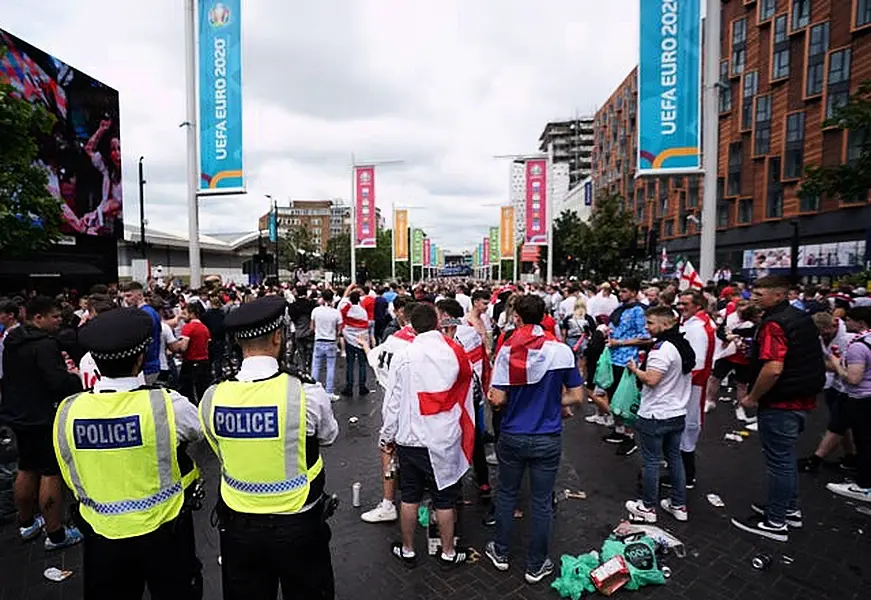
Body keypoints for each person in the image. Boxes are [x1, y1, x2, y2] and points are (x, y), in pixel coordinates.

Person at [54, 308, 204, 599]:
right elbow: (197, 431)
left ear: (94, 362)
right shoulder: (167, 405)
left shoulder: (69, 410)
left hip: (101, 536)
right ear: (139, 358)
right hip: (165, 534)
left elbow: (70, 468)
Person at [199, 295, 339, 599]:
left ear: (238, 342)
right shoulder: (306, 393)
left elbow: (216, 444)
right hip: (299, 522)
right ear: (278, 337)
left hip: (238, 525)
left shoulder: (212, 397)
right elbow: (329, 436)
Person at [484, 295, 584, 584]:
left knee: (506, 494)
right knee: (541, 502)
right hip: (547, 437)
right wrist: (553, 402)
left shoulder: (507, 352)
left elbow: (499, 399)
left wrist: (500, 401)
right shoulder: (562, 351)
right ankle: (536, 565)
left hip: (514, 435)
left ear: (516, 317)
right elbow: (577, 397)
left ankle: (500, 553)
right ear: (544, 316)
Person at [380, 303, 474, 569]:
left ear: (411, 325)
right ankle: (447, 552)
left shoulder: (404, 355)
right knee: (444, 499)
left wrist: (387, 436)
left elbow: (393, 403)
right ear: (436, 323)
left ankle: (408, 549)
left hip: (411, 439)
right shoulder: (455, 353)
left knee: (409, 496)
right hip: (444, 437)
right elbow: (467, 389)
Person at [731, 276, 825, 542]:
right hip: (799, 399)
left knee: (779, 463)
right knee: (785, 459)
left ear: (779, 295)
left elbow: (773, 368)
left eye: (761, 293)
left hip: (781, 402)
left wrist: (752, 397)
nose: (755, 297)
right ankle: (787, 509)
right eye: (754, 293)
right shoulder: (799, 317)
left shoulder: (775, 323)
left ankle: (775, 522)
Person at [0, 296, 83, 549]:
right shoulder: (45, 345)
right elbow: (56, 382)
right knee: (50, 472)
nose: (59, 321)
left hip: (18, 415)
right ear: (39, 318)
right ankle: (55, 532)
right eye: (54, 316)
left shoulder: (11, 340)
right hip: (42, 416)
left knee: (26, 467)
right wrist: (74, 378)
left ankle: (26, 524)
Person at [624, 306, 695, 523]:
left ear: (665, 324)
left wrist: (635, 369)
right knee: (674, 458)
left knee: (652, 461)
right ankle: (678, 504)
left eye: (650, 323)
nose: (646, 327)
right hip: (676, 412)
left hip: (656, 413)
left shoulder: (662, 349)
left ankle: (647, 507)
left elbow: (652, 379)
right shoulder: (683, 345)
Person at [359, 300, 418, 523]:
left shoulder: (395, 342)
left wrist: (365, 345)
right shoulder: (434, 345)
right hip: (427, 412)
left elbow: (374, 359)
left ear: (404, 317)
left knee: (388, 450)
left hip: (396, 409)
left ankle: (388, 503)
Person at [825, 306, 871, 502]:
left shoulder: (859, 346)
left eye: (850, 320)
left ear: (861, 323)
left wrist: (836, 364)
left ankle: (864, 485)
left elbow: (853, 379)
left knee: (864, 442)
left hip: (861, 399)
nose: (846, 324)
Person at [798, 312, 855, 472]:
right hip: (834, 385)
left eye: (825, 331)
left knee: (837, 423)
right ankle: (851, 456)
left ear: (833, 325)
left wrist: (820, 363)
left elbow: (846, 369)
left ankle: (816, 459)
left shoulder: (849, 340)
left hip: (849, 388)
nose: (823, 335)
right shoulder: (820, 337)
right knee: (842, 425)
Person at [599, 278, 648, 455]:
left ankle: (629, 437)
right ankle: (619, 431)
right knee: (613, 398)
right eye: (620, 291)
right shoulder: (620, 309)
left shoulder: (639, 311)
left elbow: (646, 337)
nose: (621, 294)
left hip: (629, 361)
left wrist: (620, 342)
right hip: (613, 358)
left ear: (634, 292)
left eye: (625, 291)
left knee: (625, 400)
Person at [674, 289, 715, 489]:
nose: (681, 307)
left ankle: (685, 477)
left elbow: (696, 365)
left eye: (685, 304)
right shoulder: (695, 323)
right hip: (689, 384)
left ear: (698, 305)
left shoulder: (697, 328)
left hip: (692, 386)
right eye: (679, 303)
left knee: (687, 427)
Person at [122, 282, 162, 384]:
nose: (126, 299)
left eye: (129, 296)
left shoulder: (144, 314)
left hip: (145, 367)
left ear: (139, 295)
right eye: (125, 296)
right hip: (149, 365)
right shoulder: (150, 312)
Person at [311, 289, 343, 401]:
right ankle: (329, 392)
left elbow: (312, 327)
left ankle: (312, 390)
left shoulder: (315, 311)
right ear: (332, 298)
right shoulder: (336, 313)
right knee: (330, 367)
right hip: (331, 341)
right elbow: (339, 330)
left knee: (316, 366)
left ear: (322, 298)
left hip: (319, 340)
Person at [178, 301, 212, 404]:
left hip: (191, 362)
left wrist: (176, 345)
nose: (183, 317)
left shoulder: (188, 328)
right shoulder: (205, 328)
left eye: (185, 314)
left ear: (191, 314)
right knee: (202, 389)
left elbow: (183, 347)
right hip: (204, 361)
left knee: (188, 391)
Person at [339, 289, 370, 397]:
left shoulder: (346, 309)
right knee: (362, 364)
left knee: (350, 364)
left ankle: (349, 387)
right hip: (361, 340)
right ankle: (362, 387)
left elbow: (341, 317)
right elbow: (366, 326)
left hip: (349, 340)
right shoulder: (363, 312)